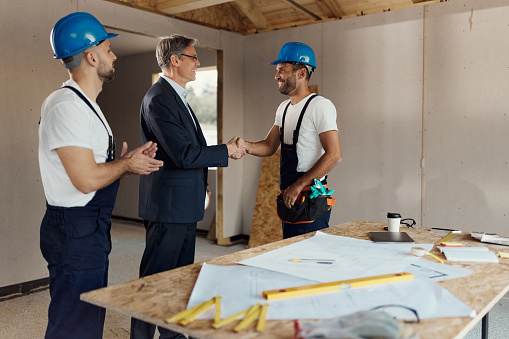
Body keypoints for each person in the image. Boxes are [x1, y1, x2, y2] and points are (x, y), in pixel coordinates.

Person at [38, 12, 164, 339]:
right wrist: (125, 166)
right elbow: (85, 180)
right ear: (91, 56)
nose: (114, 55)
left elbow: (92, 170)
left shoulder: (87, 104)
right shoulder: (66, 106)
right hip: (74, 229)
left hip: (90, 227)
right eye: (108, 49)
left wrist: (124, 162)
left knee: (89, 318)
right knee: (73, 323)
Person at [132, 34, 245, 339]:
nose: (198, 63)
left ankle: (172, 334)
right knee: (154, 280)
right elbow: (183, 154)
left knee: (180, 278)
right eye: (194, 57)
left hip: (182, 203)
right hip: (167, 207)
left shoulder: (176, 97)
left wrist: (202, 186)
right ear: (175, 60)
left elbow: (186, 150)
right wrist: (227, 151)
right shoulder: (159, 99)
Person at [241, 42, 342, 239]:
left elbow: (334, 155)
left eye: (282, 70)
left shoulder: (320, 106)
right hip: (290, 200)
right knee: (290, 255)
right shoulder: (284, 109)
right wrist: (244, 146)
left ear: (301, 73)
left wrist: (297, 185)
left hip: (309, 201)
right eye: (277, 70)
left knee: (309, 259)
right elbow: (269, 146)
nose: (276, 75)